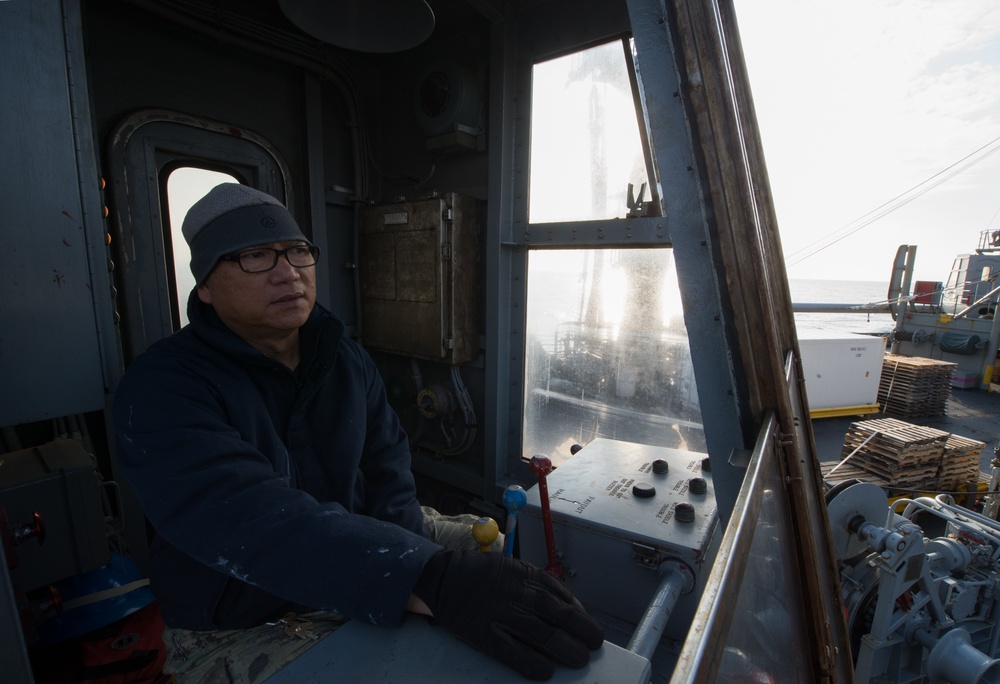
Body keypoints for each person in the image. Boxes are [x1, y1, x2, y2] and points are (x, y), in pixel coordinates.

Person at [113, 183, 602, 683]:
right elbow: (247, 519)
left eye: (298, 251)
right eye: (254, 256)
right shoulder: (162, 388)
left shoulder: (341, 358)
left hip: (361, 544)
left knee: (506, 558)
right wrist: (423, 578)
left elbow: (388, 472)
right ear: (206, 288)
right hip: (243, 615)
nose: (288, 273)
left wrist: (430, 582)